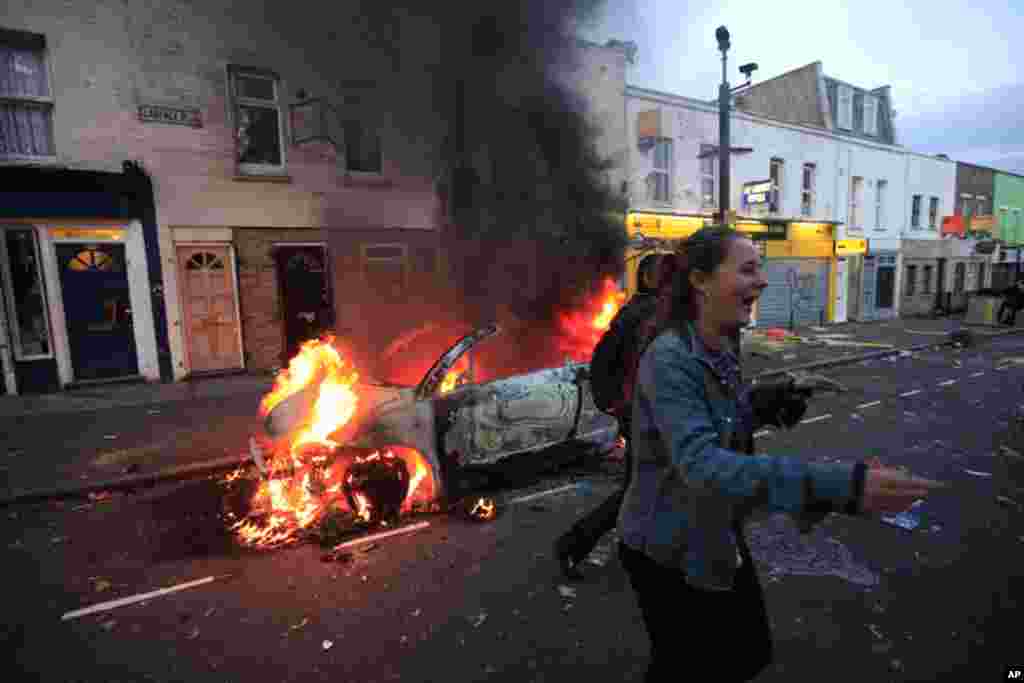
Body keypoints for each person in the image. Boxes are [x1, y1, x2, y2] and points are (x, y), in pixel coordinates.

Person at [617, 226, 945, 682]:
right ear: (700, 280)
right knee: (687, 666)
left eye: (761, 269)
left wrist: (773, 397)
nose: (763, 281)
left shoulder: (721, 342)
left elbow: (725, 420)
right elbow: (701, 464)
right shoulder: (671, 357)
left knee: (744, 653)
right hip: (666, 545)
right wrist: (835, 486)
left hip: (712, 531)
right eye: (748, 269)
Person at [554, 254, 665, 580]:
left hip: (651, 413)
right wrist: (616, 405)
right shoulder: (640, 313)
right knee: (642, 488)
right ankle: (575, 544)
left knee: (652, 486)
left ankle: (641, 550)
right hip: (645, 416)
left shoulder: (656, 311)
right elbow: (605, 360)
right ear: (648, 278)